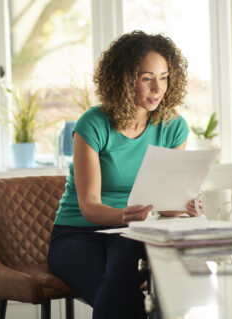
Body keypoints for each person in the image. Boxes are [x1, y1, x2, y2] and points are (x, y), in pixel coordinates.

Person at [47, 30, 201, 318]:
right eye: (147, 78)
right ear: (124, 79)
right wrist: (123, 216)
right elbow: (89, 206)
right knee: (135, 299)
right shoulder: (93, 125)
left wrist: (184, 206)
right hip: (78, 235)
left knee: (158, 285)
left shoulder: (173, 127)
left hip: (131, 234)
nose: (158, 88)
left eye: (164, 77)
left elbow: (167, 205)